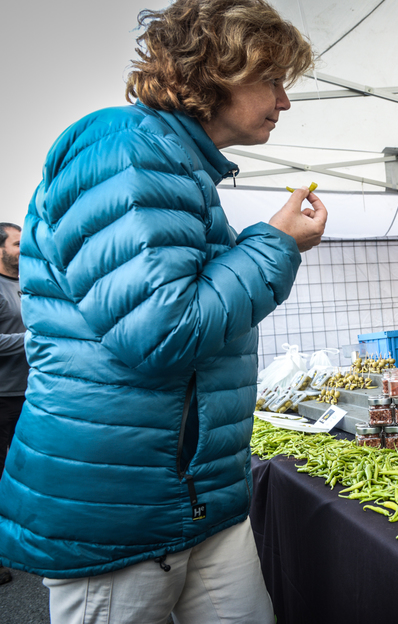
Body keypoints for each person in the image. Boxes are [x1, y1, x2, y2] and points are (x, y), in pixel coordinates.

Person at [0, 1, 324, 622]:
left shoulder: (175, 166)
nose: (285, 102)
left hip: (197, 495)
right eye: (273, 80)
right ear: (216, 72)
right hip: (123, 508)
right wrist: (276, 243)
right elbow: (161, 332)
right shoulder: (123, 148)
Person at [0, 222, 25, 587]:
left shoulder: (25, 283)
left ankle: (22, 545)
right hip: (1, 396)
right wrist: (33, 340)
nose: (25, 248)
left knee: (23, 472)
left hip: (28, 394)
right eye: (18, 243)